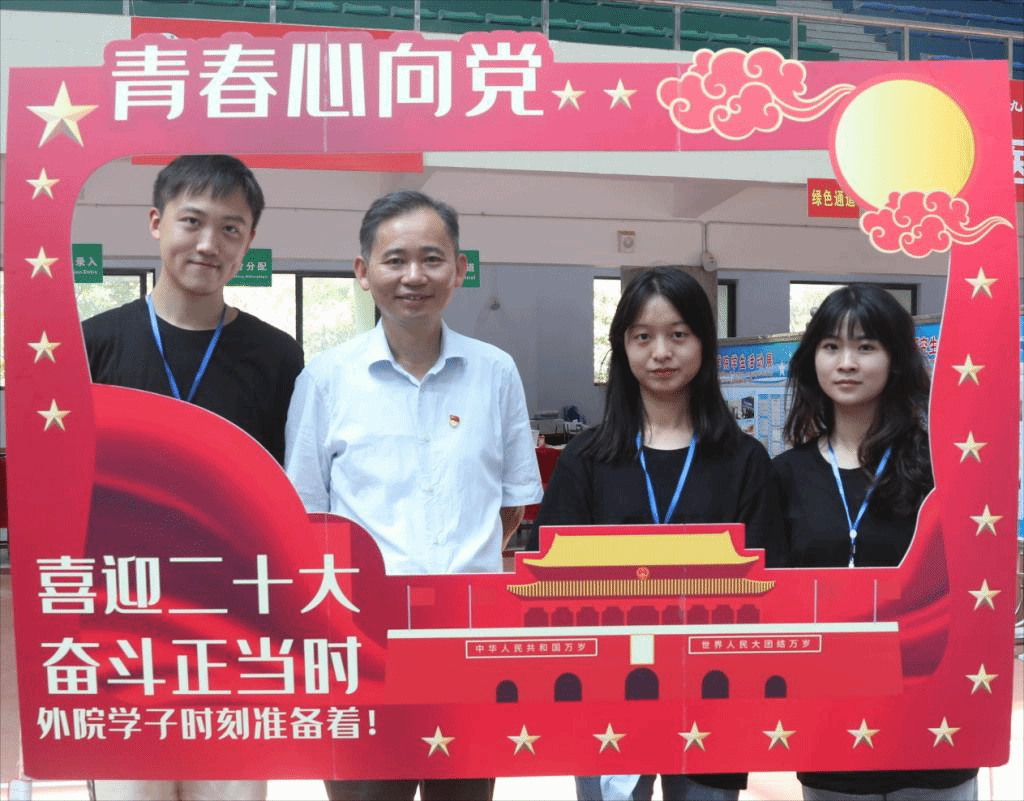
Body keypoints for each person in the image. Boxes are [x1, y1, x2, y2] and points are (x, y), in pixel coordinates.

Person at [284, 190, 543, 801]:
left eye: (432, 258)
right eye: (395, 259)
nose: (414, 276)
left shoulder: (495, 372)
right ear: (363, 271)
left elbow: (512, 505)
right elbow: (307, 516)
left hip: (467, 638)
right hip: (362, 642)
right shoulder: (325, 379)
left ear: (459, 269)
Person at [83, 153, 304, 801]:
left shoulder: (277, 355)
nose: (209, 243)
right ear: (157, 223)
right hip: (121, 625)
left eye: (230, 229)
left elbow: (290, 495)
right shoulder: (93, 345)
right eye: (192, 221)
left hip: (236, 627)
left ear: (248, 241)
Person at [534, 266, 783, 801]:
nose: (661, 353)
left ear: (704, 343)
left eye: (679, 334)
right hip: (606, 692)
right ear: (622, 347)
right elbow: (546, 579)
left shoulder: (744, 460)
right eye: (643, 336)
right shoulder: (585, 459)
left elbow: (771, 582)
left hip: (714, 691)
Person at [772, 283, 978, 801]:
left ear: (895, 359)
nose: (847, 363)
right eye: (831, 346)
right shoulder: (784, 474)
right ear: (812, 359)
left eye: (865, 347)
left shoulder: (940, 468)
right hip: (830, 722)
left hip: (931, 722)